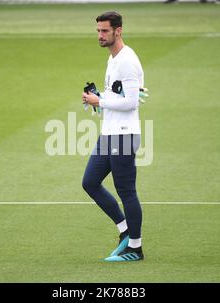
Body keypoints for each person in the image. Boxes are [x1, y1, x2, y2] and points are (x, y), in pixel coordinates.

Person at [81, 11, 145, 262]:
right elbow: (118, 96)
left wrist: (101, 99)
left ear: (118, 31)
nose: (100, 35)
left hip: (123, 135)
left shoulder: (127, 60)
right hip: (109, 133)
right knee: (90, 182)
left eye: (104, 31)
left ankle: (136, 248)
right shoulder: (113, 59)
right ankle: (125, 231)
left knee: (126, 190)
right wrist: (97, 100)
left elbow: (130, 102)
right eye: (98, 30)